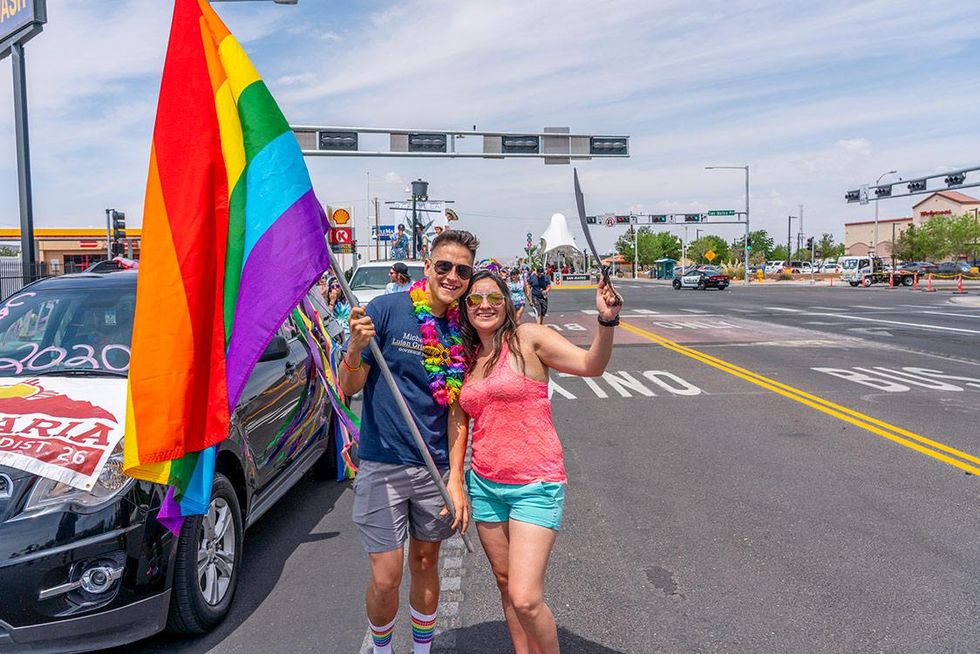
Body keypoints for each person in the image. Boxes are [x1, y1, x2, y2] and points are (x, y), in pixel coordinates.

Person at [457, 270, 622, 654]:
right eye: (474, 299)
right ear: (465, 308)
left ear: (508, 303)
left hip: (535, 483)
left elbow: (590, 364)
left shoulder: (527, 338)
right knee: (504, 583)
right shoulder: (466, 357)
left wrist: (607, 321)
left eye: (493, 298)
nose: (484, 305)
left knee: (526, 596)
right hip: (485, 484)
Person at [339, 229, 480, 654]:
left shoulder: (464, 331)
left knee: (425, 563)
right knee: (386, 576)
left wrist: (456, 479)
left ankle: (422, 650)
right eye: (444, 266)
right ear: (427, 264)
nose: (452, 276)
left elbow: (458, 411)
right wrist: (355, 348)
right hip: (383, 464)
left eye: (462, 270)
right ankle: (383, 650)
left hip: (433, 467)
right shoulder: (386, 310)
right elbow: (350, 384)